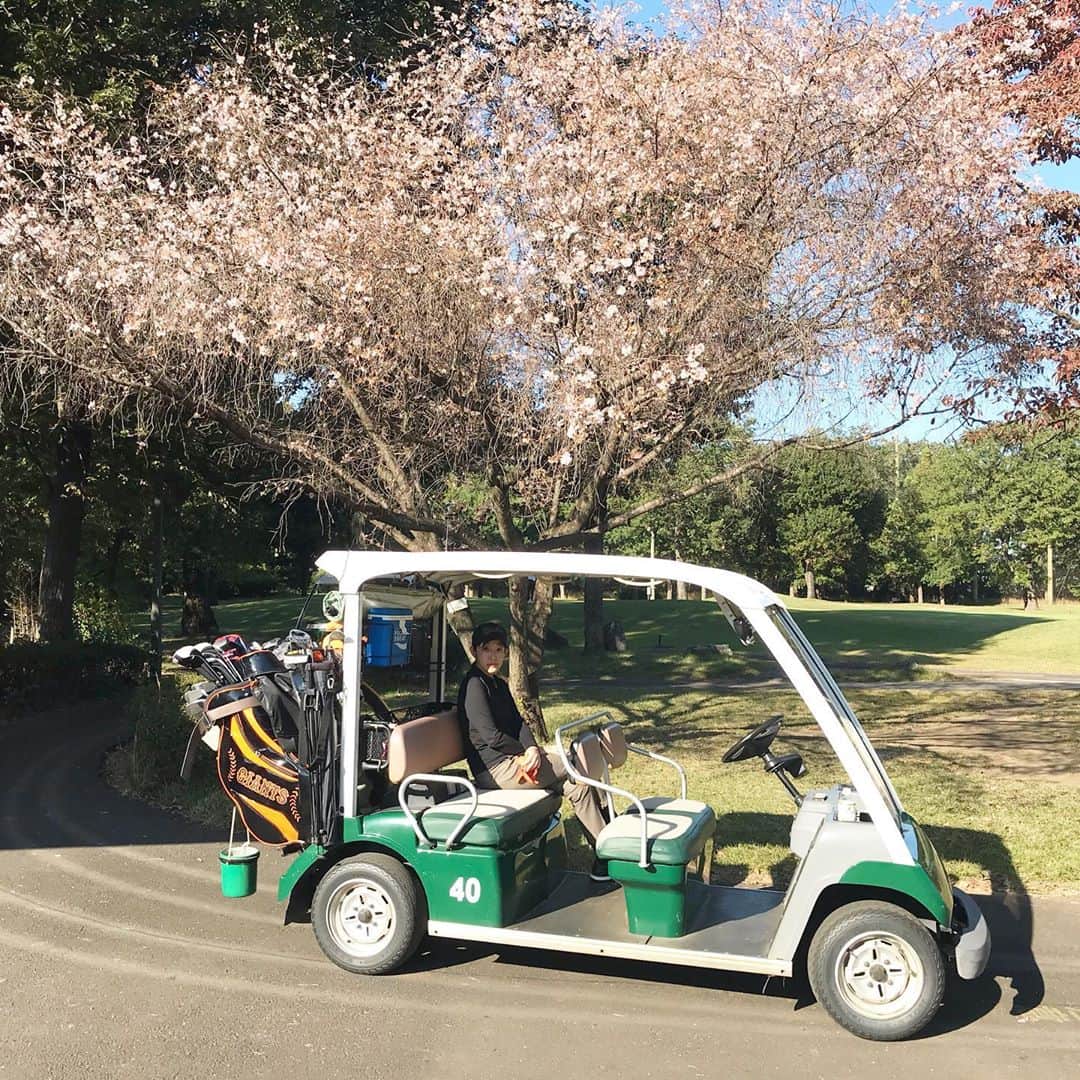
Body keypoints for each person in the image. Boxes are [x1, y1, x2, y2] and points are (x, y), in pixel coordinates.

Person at [458, 621, 610, 881]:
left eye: (499, 650)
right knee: (578, 762)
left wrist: (531, 747)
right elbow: (491, 736)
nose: (493, 656)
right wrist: (529, 752)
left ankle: (604, 856)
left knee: (578, 787)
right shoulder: (474, 685)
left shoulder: (497, 683)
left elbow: (519, 723)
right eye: (486, 650)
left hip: (514, 760)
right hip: (494, 770)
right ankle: (615, 836)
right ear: (474, 651)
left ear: (506, 653)